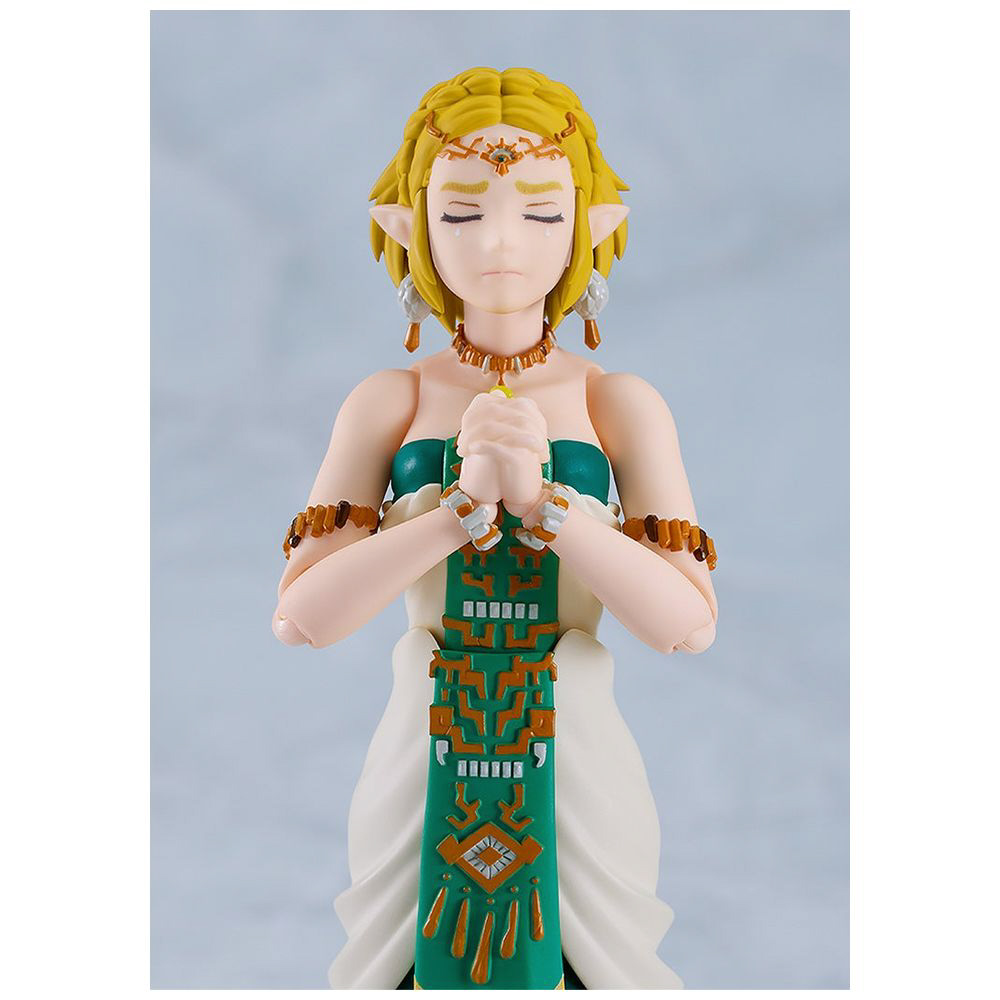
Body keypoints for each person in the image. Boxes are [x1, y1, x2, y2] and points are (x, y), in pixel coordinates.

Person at [273, 67, 718, 990]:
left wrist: (549, 510)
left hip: (576, 757)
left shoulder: (620, 404)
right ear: (412, 227)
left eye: (542, 212)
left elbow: (687, 624)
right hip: (424, 747)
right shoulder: (389, 402)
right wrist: (456, 514)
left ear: (591, 223)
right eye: (464, 212)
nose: (503, 241)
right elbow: (302, 617)